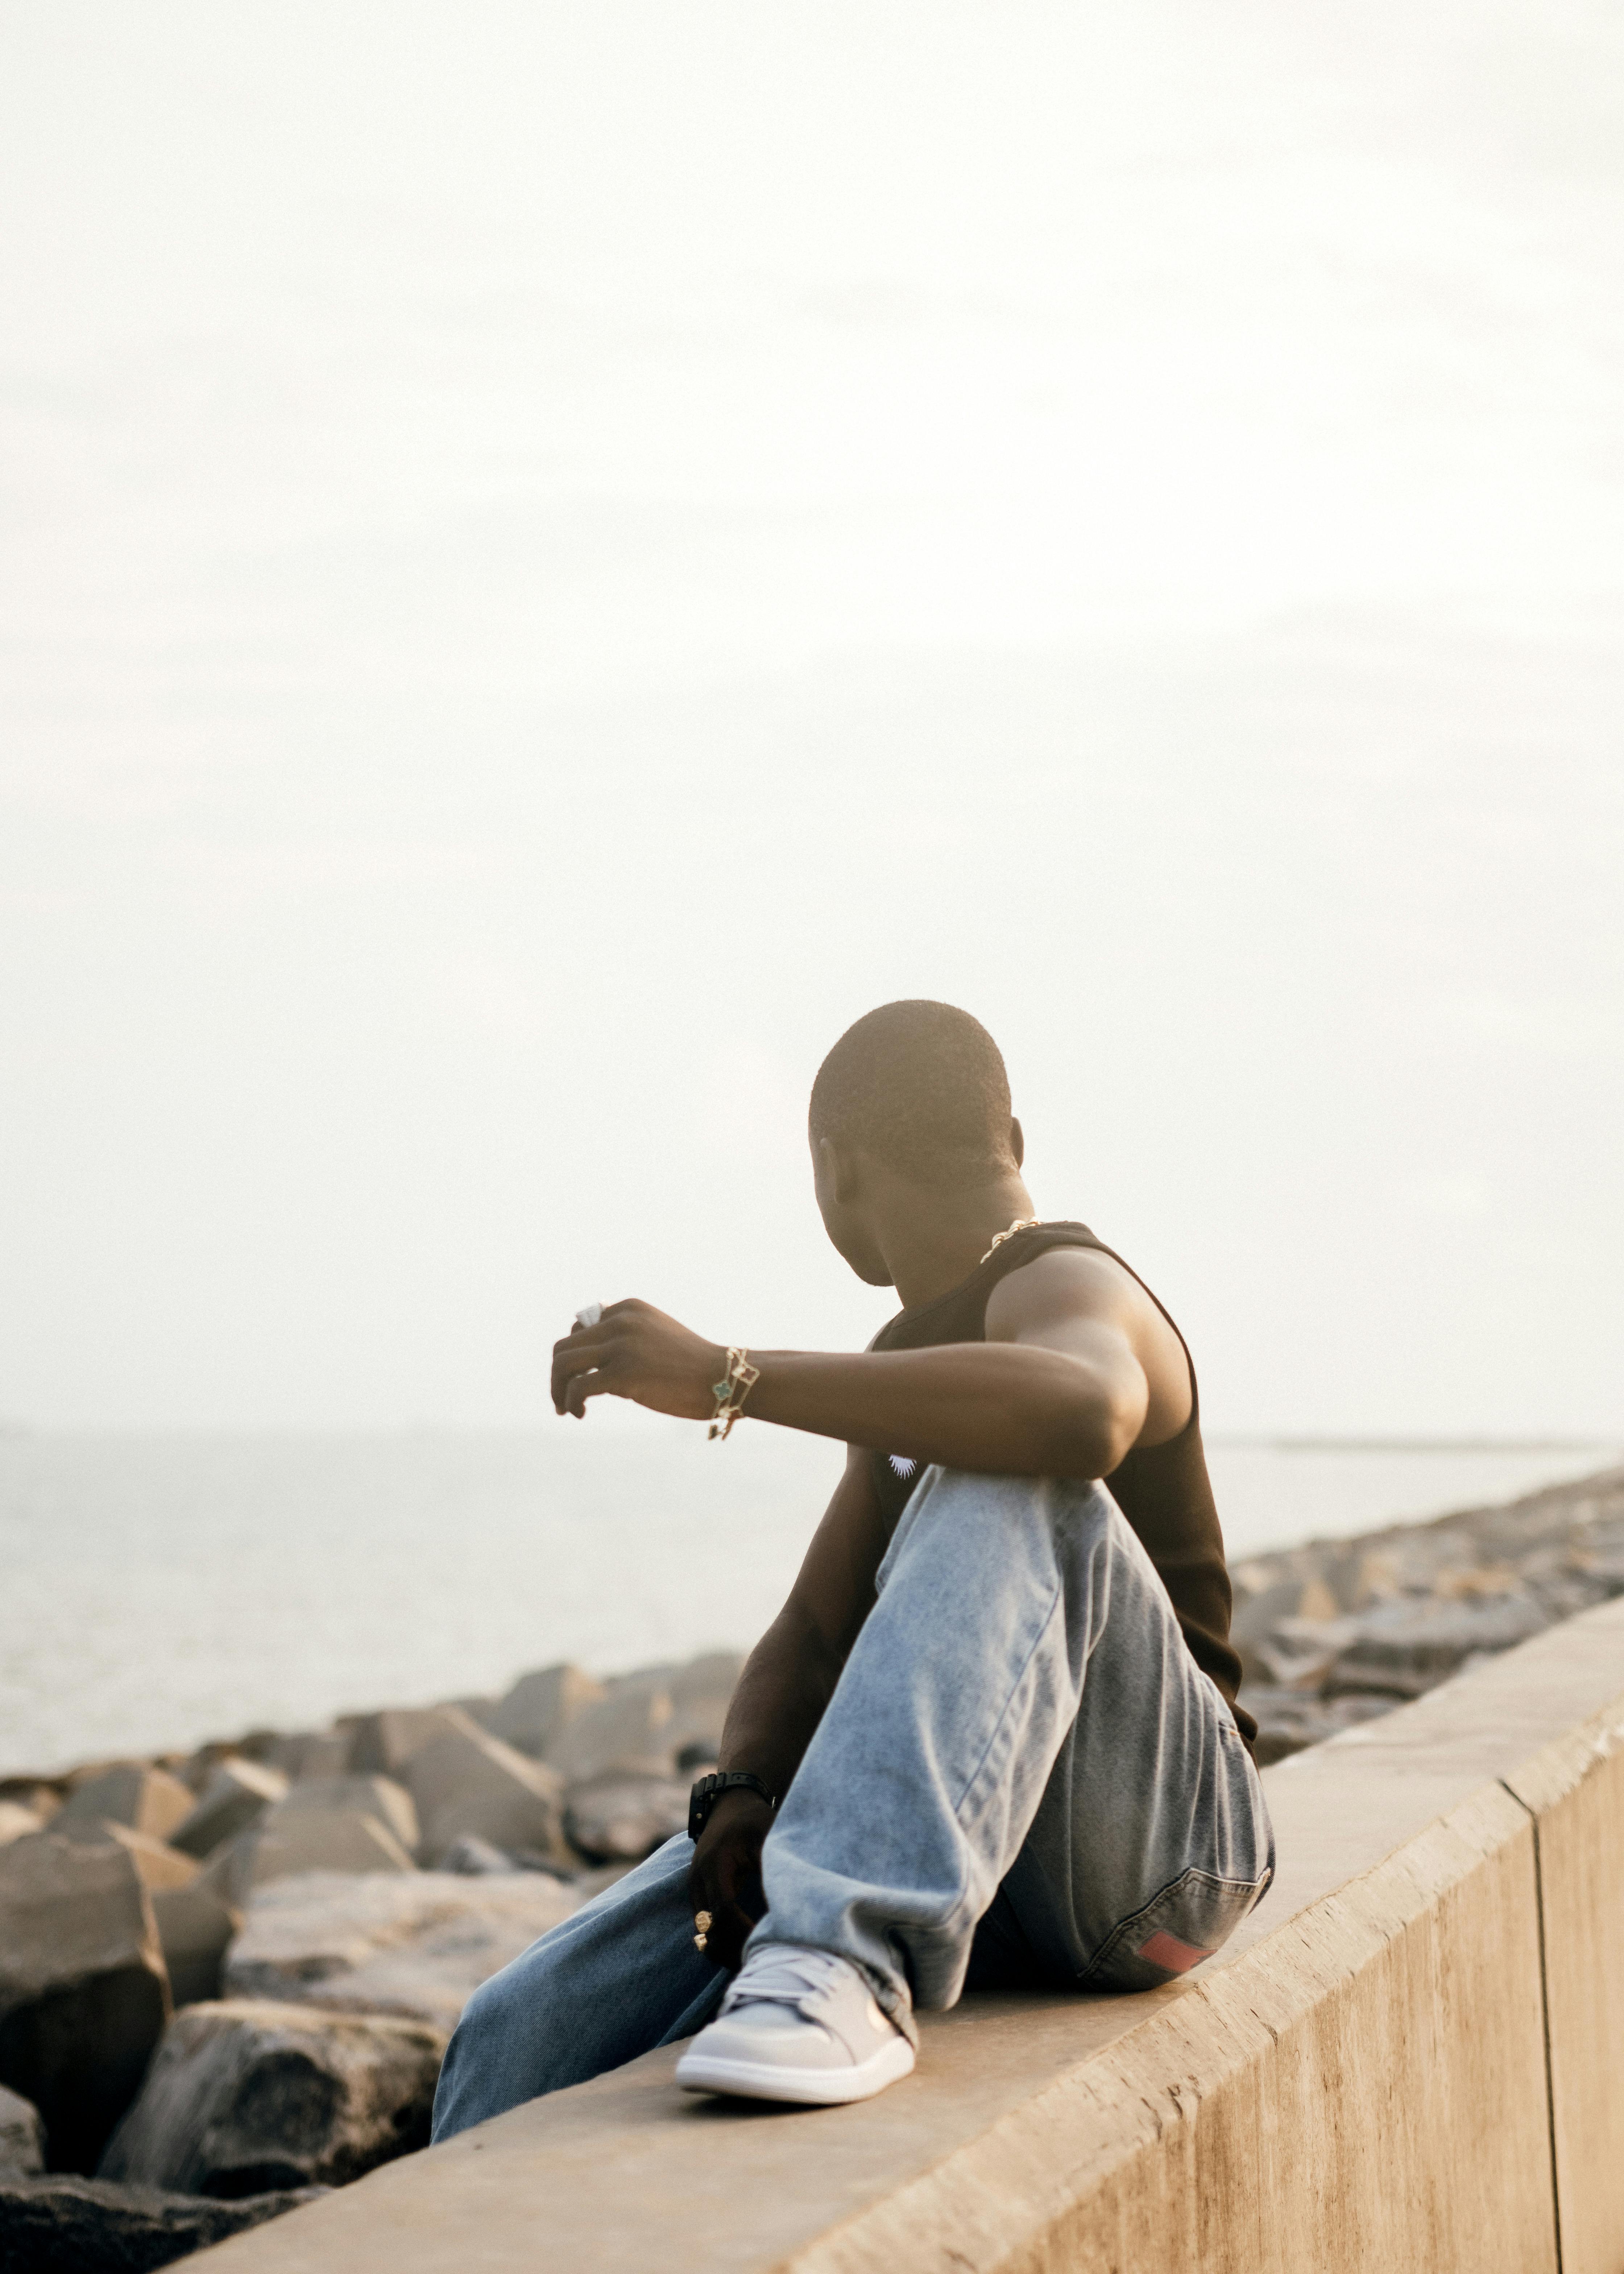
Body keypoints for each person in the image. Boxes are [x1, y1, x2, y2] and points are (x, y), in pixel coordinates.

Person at [432, 999, 1272, 2128]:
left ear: (835, 1173)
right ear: (1010, 1141)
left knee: (1005, 1461)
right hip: (988, 1860)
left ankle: (846, 1964)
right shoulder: (901, 1366)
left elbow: (1082, 1414)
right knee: (522, 2025)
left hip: (1165, 1857)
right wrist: (740, 1794)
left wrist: (734, 1378)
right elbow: (816, 1633)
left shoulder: (1069, 1281)